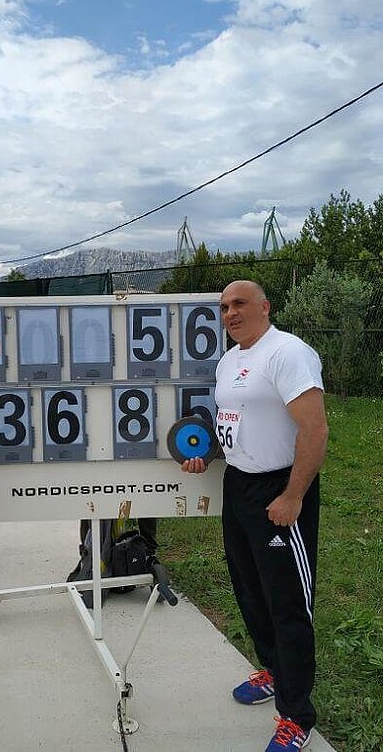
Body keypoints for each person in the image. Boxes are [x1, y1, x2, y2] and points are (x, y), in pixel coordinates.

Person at [182, 280, 328, 752]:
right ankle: (272, 670)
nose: (230, 313)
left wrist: (292, 496)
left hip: (279, 489)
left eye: (239, 303)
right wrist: (207, 454)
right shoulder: (229, 361)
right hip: (239, 486)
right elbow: (237, 425)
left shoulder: (288, 353)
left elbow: (315, 429)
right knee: (249, 589)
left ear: (265, 307)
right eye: (224, 307)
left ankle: (296, 714)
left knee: (287, 605)